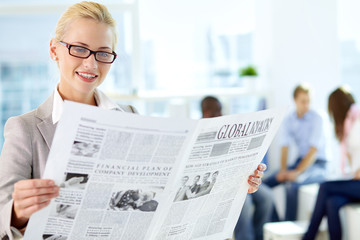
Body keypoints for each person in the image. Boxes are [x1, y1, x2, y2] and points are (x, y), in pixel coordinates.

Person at [0, 2, 265, 239]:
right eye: (79, 49)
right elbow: (3, 214)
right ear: (54, 50)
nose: (91, 65)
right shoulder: (25, 129)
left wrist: (237, 178)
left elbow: (168, 187)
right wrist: (17, 212)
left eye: (103, 53)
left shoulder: (130, 115)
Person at [200, 95, 274, 240]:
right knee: (244, 203)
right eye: (217, 111)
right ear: (207, 113)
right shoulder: (200, 133)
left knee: (267, 197)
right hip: (221, 185)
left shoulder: (226, 129)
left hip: (240, 177)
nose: (221, 115)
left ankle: (259, 237)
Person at [302, 87, 360, 240]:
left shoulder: (358, 117)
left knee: (325, 186)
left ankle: (308, 237)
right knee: (331, 202)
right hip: (355, 182)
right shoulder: (350, 123)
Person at [264, 84, 327, 221]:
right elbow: (284, 146)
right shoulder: (289, 119)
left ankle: (287, 225)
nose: (306, 105)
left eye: (309, 101)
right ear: (295, 100)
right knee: (264, 185)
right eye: (303, 101)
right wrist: (283, 170)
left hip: (318, 164)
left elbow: (313, 151)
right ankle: (276, 223)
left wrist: (297, 172)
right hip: (300, 162)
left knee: (292, 185)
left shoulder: (318, 118)